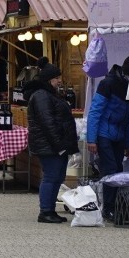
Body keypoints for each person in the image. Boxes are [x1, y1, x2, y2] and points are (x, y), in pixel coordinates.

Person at [27, 59, 79, 224]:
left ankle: (49, 210)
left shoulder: (48, 94)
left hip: (53, 144)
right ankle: (45, 211)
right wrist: (59, 146)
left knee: (57, 176)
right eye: (56, 78)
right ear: (49, 79)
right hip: (49, 145)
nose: (59, 81)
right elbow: (48, 123)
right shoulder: (42, 96)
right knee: (51, 176)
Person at [86, 54, 129, 222]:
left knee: (119, 171)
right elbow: (94, 112)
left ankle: (115, 206)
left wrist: (128, 144)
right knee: (111, 169)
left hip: (119, 134)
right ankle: (108, 208)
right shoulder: (107, 84)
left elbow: (128, 119)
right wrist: (91, 139)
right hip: (104, 133)